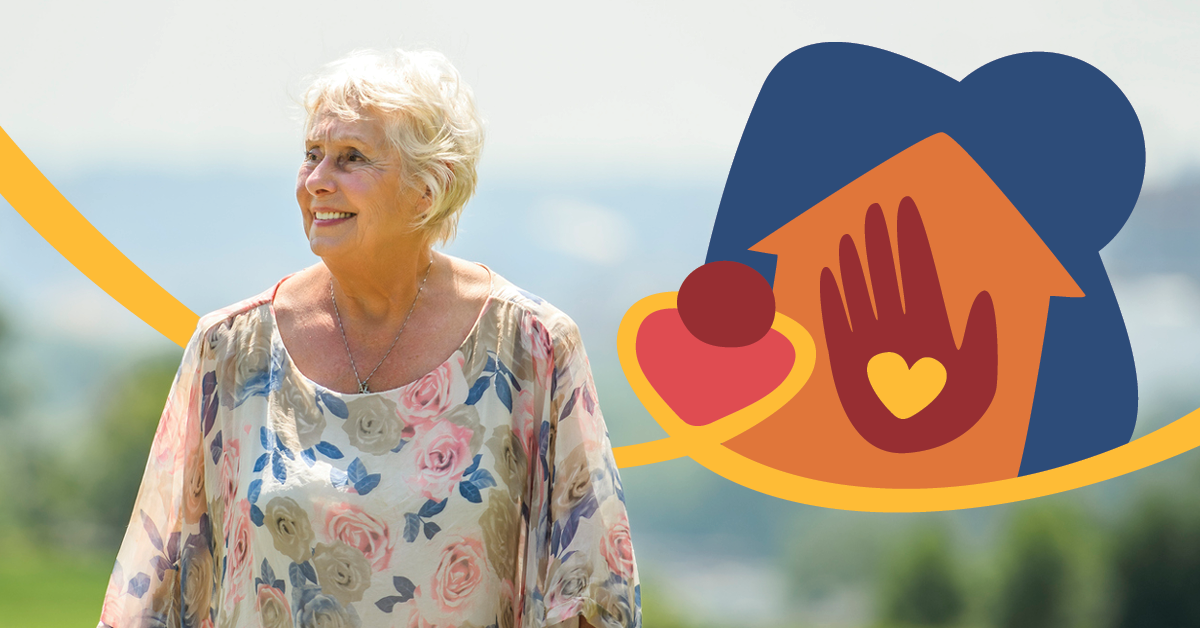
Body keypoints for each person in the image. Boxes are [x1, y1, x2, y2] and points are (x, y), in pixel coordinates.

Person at [98, 49, 640, 628]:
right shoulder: (229, 351)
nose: (316, 182)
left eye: (351, 158)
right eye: (312, 155)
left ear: (429, 188)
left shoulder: (532, 348)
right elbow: (151, 590)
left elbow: (594, 591)